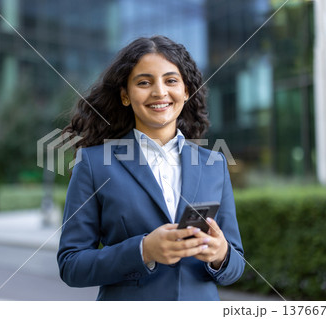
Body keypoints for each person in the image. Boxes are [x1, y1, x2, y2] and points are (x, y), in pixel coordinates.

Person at [56, 35, 245, 301]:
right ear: (125, 95)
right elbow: (71, 265)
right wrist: (143, 251)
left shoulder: (214, 164)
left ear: (186, 91)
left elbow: (236, 265)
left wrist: (220, 254)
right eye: (144, 82)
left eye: (171, 80)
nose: (159, 92)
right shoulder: (94, 164)